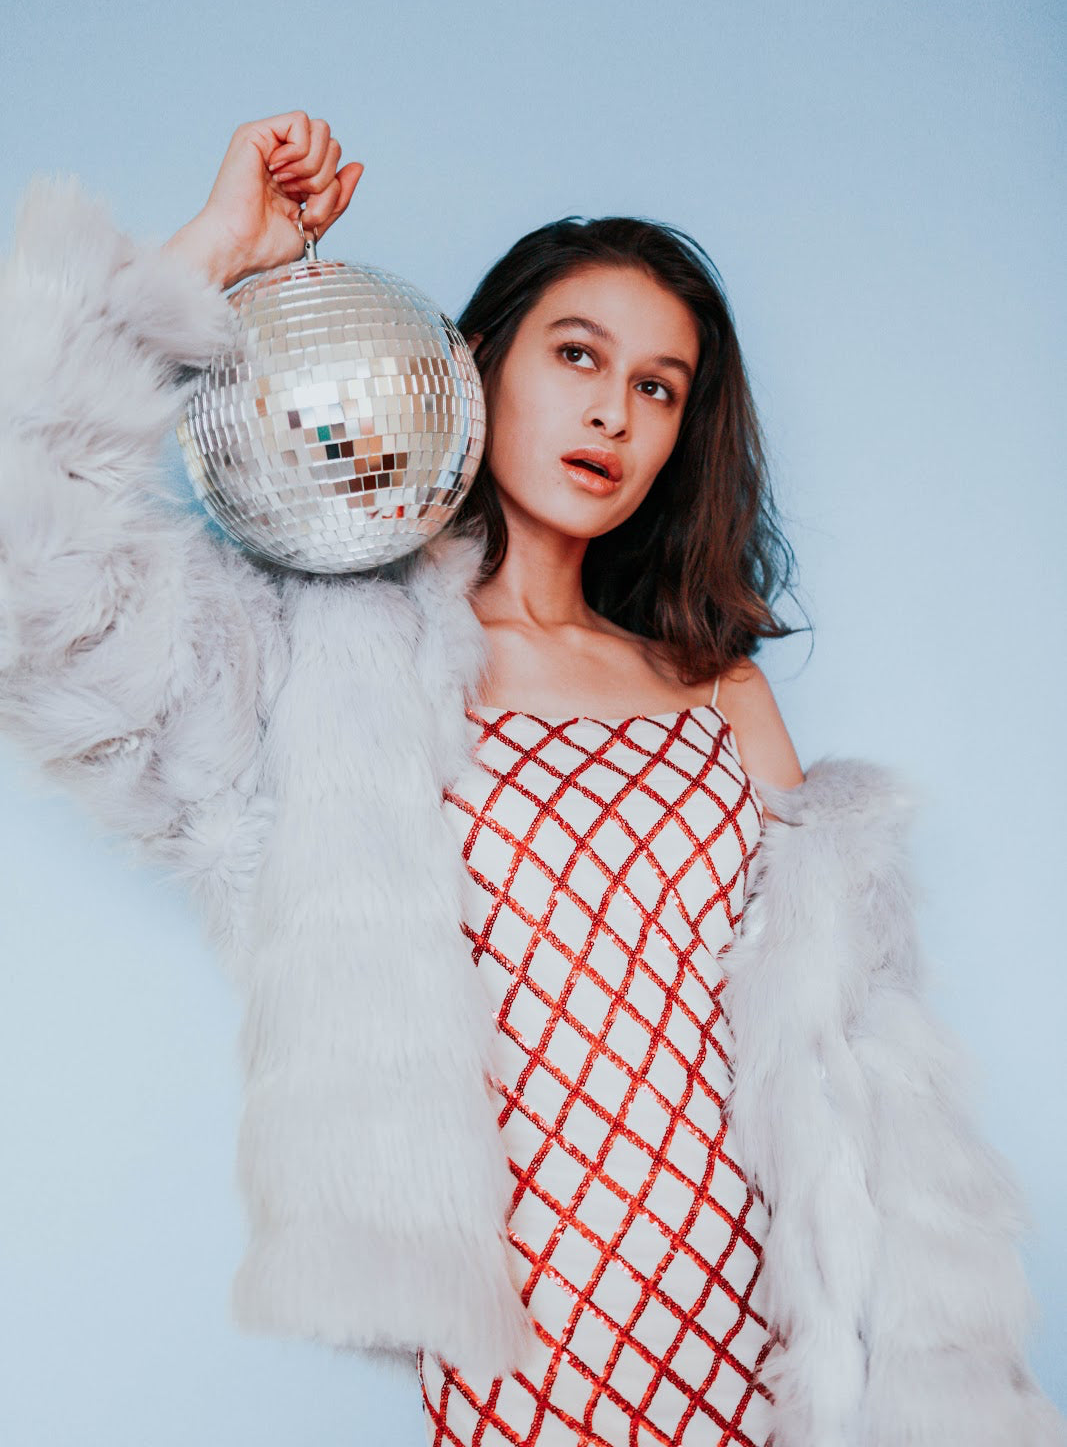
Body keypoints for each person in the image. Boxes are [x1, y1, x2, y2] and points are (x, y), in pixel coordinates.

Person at [0, 112, 1060, 1447]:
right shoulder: (332, 659)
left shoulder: (717, 682)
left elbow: (864, 1058)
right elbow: (29, 581)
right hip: (531, 1334)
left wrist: (934, 1368)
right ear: (479, 363)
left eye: (662, 387)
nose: (616, 409)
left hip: (774, 1333)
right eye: (578, 356)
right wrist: (211, 256)